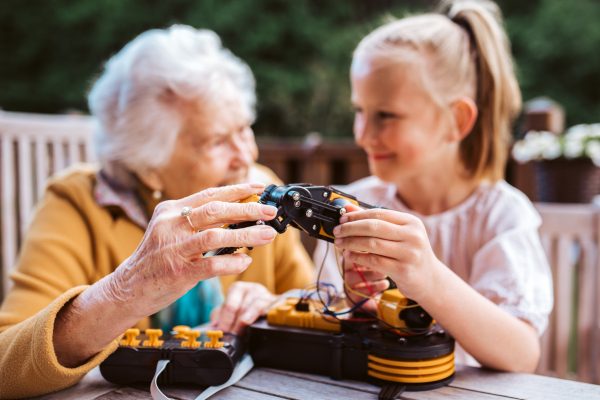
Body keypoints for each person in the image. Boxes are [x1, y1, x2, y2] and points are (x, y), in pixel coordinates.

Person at [0, 25, 313, 399]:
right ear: (149, 164)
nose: (247, 155)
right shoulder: (76, 203)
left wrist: (271, 310)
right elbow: (7, 367)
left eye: (244, 129)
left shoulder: (259, 189)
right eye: (217, 140)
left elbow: (312, 302)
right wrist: (123, 291)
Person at [314, 0, 552, 373]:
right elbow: (331, 326)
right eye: (360, 110)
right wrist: (361, 302)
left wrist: (426, 278)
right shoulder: (353, 204)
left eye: (386, 115)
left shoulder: (502, 214)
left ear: (455, 120)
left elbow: (521, 354)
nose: (362, 135)